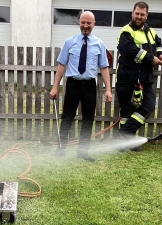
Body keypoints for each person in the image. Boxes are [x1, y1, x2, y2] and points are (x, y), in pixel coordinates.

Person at [49, 11, 113, 162]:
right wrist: (55, 87)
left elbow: (104, 68)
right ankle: (61, 148)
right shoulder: (69, 42)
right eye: (83, 22)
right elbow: (61, 65)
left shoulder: (99, 44)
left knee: (88, 119)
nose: (85, 26)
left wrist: (108, 89)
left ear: (93, 24)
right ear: (79, 23)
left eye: (88, 23)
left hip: (90, 86)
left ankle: (83, 151)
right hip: (72, 84)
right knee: (67, 117)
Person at [115, 1, 162, 151]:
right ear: (132, 13)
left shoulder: (151, 31)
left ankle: (123, 135)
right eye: (137, 13)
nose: (139, 16)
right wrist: (151, 58)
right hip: (126, 76)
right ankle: (126, 143)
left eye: (142, 14)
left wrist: (161, 54)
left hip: (145, 77)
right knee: (126, 110)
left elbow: (159, 43)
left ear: (146, 15)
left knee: (148, 106)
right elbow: (128, 49)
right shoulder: (126, 31)